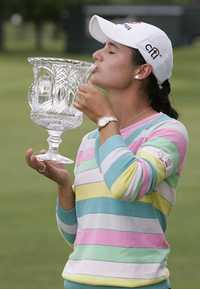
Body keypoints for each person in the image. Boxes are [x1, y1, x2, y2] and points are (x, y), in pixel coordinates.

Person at [26, 15, 189, 289]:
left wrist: (105, 119)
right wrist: (65, 185)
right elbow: (79, 237)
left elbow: (127, 184)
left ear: (142, 71)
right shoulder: (93, 139)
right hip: (77, 282)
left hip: (140, 284)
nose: (96, 55)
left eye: (111, 50)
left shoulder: (167, 132)